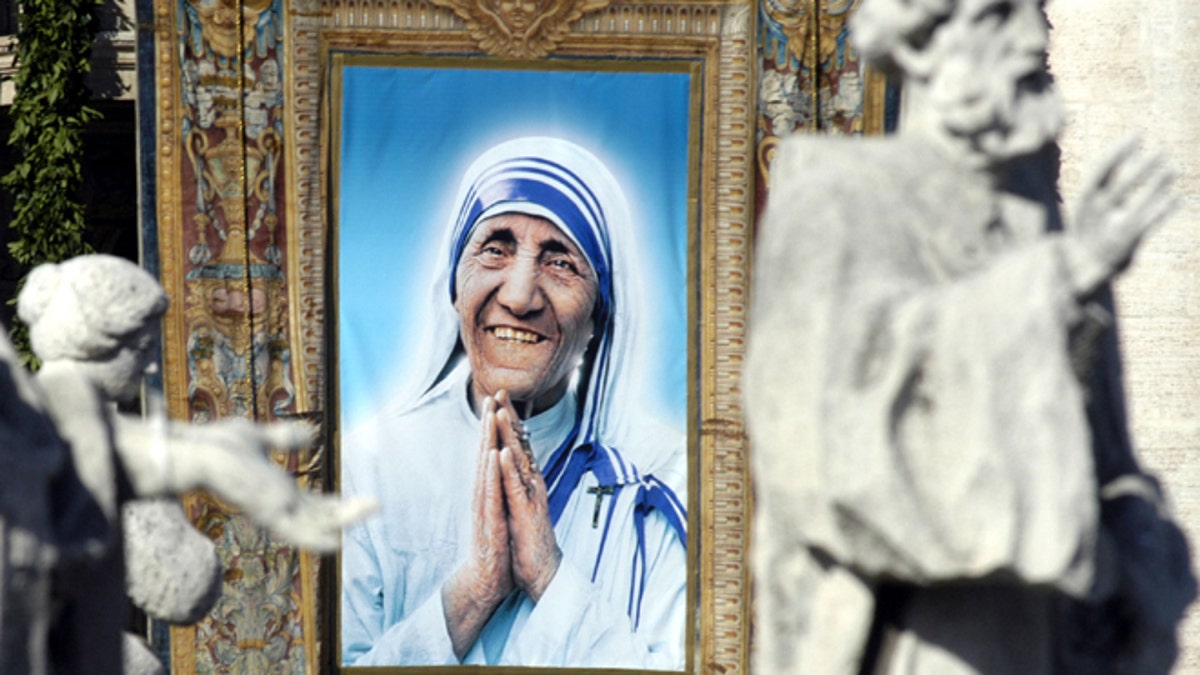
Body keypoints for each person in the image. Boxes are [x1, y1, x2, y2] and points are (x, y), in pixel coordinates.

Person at [745, 0, 1195, 673]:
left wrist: (1144, 557)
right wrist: (1059, 279)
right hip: (920, 638)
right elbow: (820, 439)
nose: (1032, 38)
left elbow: (1110, 460)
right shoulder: (837, 193)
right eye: (998, 15)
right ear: (923, 44)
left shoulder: (1043, 221)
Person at [341, 137, 688, 668]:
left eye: (561, 262)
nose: (520, 296)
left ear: (600, 315)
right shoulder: (366, 469)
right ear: (455, 286)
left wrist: (547, 574)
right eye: (496, 249)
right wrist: (476, 590)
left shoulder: (661, 479)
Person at [14, 254, 373, 674]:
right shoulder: (96, 439)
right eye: (142, 347)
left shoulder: (33, 417)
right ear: (103, 343)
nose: (150, 365)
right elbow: (183, 589)